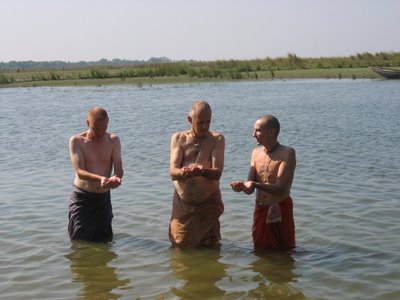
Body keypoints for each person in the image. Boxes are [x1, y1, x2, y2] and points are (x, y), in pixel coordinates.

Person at [231, 115, 296, 250]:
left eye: (257, 131)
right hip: (261, 208)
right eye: (254, 131)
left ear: (272, 132)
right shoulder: (255, 153)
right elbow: (249, 189)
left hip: (280, 208)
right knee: (260, 249)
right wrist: (242, 186)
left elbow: (280, 188)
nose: (253, 134)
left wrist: (254, 185)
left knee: (285, 250)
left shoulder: (287, 153)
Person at [169, 100, 225, 248]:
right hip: (183, 205)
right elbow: (173, 171)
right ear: (190, 120)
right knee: (179, 245)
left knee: (210, 247)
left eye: (208, 122)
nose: (205, 126)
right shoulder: (179, 138)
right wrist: (184, 172)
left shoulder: (217, 139)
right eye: (200, 123)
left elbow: (217, 172)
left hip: (208, 204)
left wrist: (202, 171)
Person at [68, 107, 123, 242]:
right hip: (83, 198)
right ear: (88, 123)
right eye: (96, 129)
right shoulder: (77, 141)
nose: (100, 133)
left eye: (103, 129)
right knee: (79, 240)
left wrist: (116, 178)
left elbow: (119, 169)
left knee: (105, 240)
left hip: (103, 198)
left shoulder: (113, 140)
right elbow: (80, 172)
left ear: (108, 123)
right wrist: (101, 179)